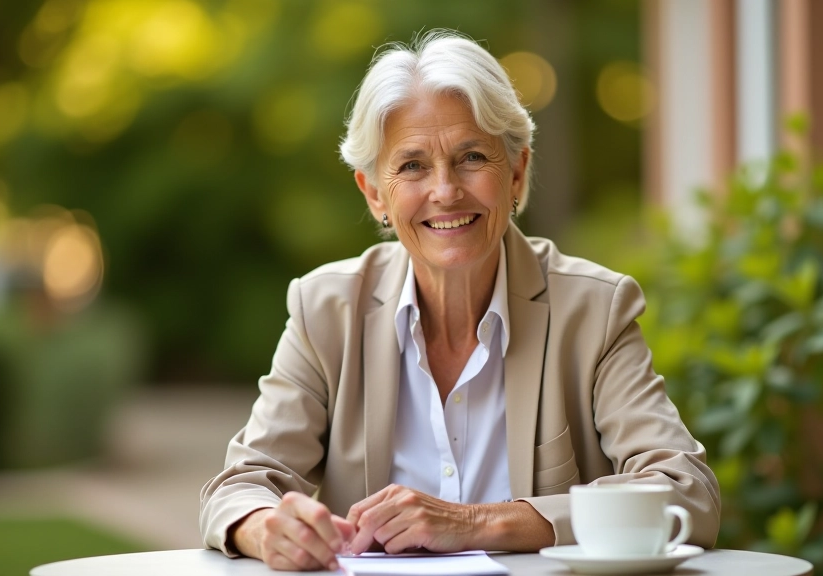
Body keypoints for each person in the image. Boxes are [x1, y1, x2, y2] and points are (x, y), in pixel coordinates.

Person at [199, 30, 720, 572]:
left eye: (471, 157)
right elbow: (240, 486)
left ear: (516, 173)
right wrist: (266, 529)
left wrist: (475, 522)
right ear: (374, 193)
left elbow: (686, 491)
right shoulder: (326, 310)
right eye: (413, 166)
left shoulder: (593, 310)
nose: (445, 191)